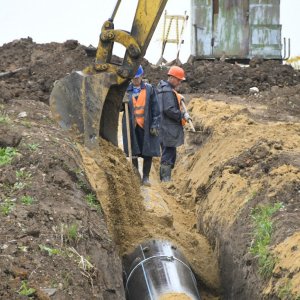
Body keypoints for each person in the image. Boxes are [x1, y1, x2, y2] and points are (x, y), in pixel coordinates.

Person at [122, 65, 160, 186]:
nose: (135, 81)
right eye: (133, 79)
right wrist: (121, 101)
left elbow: (156, 109)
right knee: (133, 151)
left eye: (137, 78)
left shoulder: (150, 89)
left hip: (146, 126)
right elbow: (119, 109)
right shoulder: (126, 90)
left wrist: (155, 124)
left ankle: (146, 177)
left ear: (141, 76)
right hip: (132, 126)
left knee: (148, 152)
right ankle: (136, 175)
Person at [157, 66, 191, 182]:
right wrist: (182, 115)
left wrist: (176, 95)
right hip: (168, 128)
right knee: (168, 154)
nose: (180, 82)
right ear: (171, 78)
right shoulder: (167, 92)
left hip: (163, 127)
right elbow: (169, 109)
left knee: (169, 153)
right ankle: (165, 181)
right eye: (179, 79)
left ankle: (165, 179)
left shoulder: (163, 89)